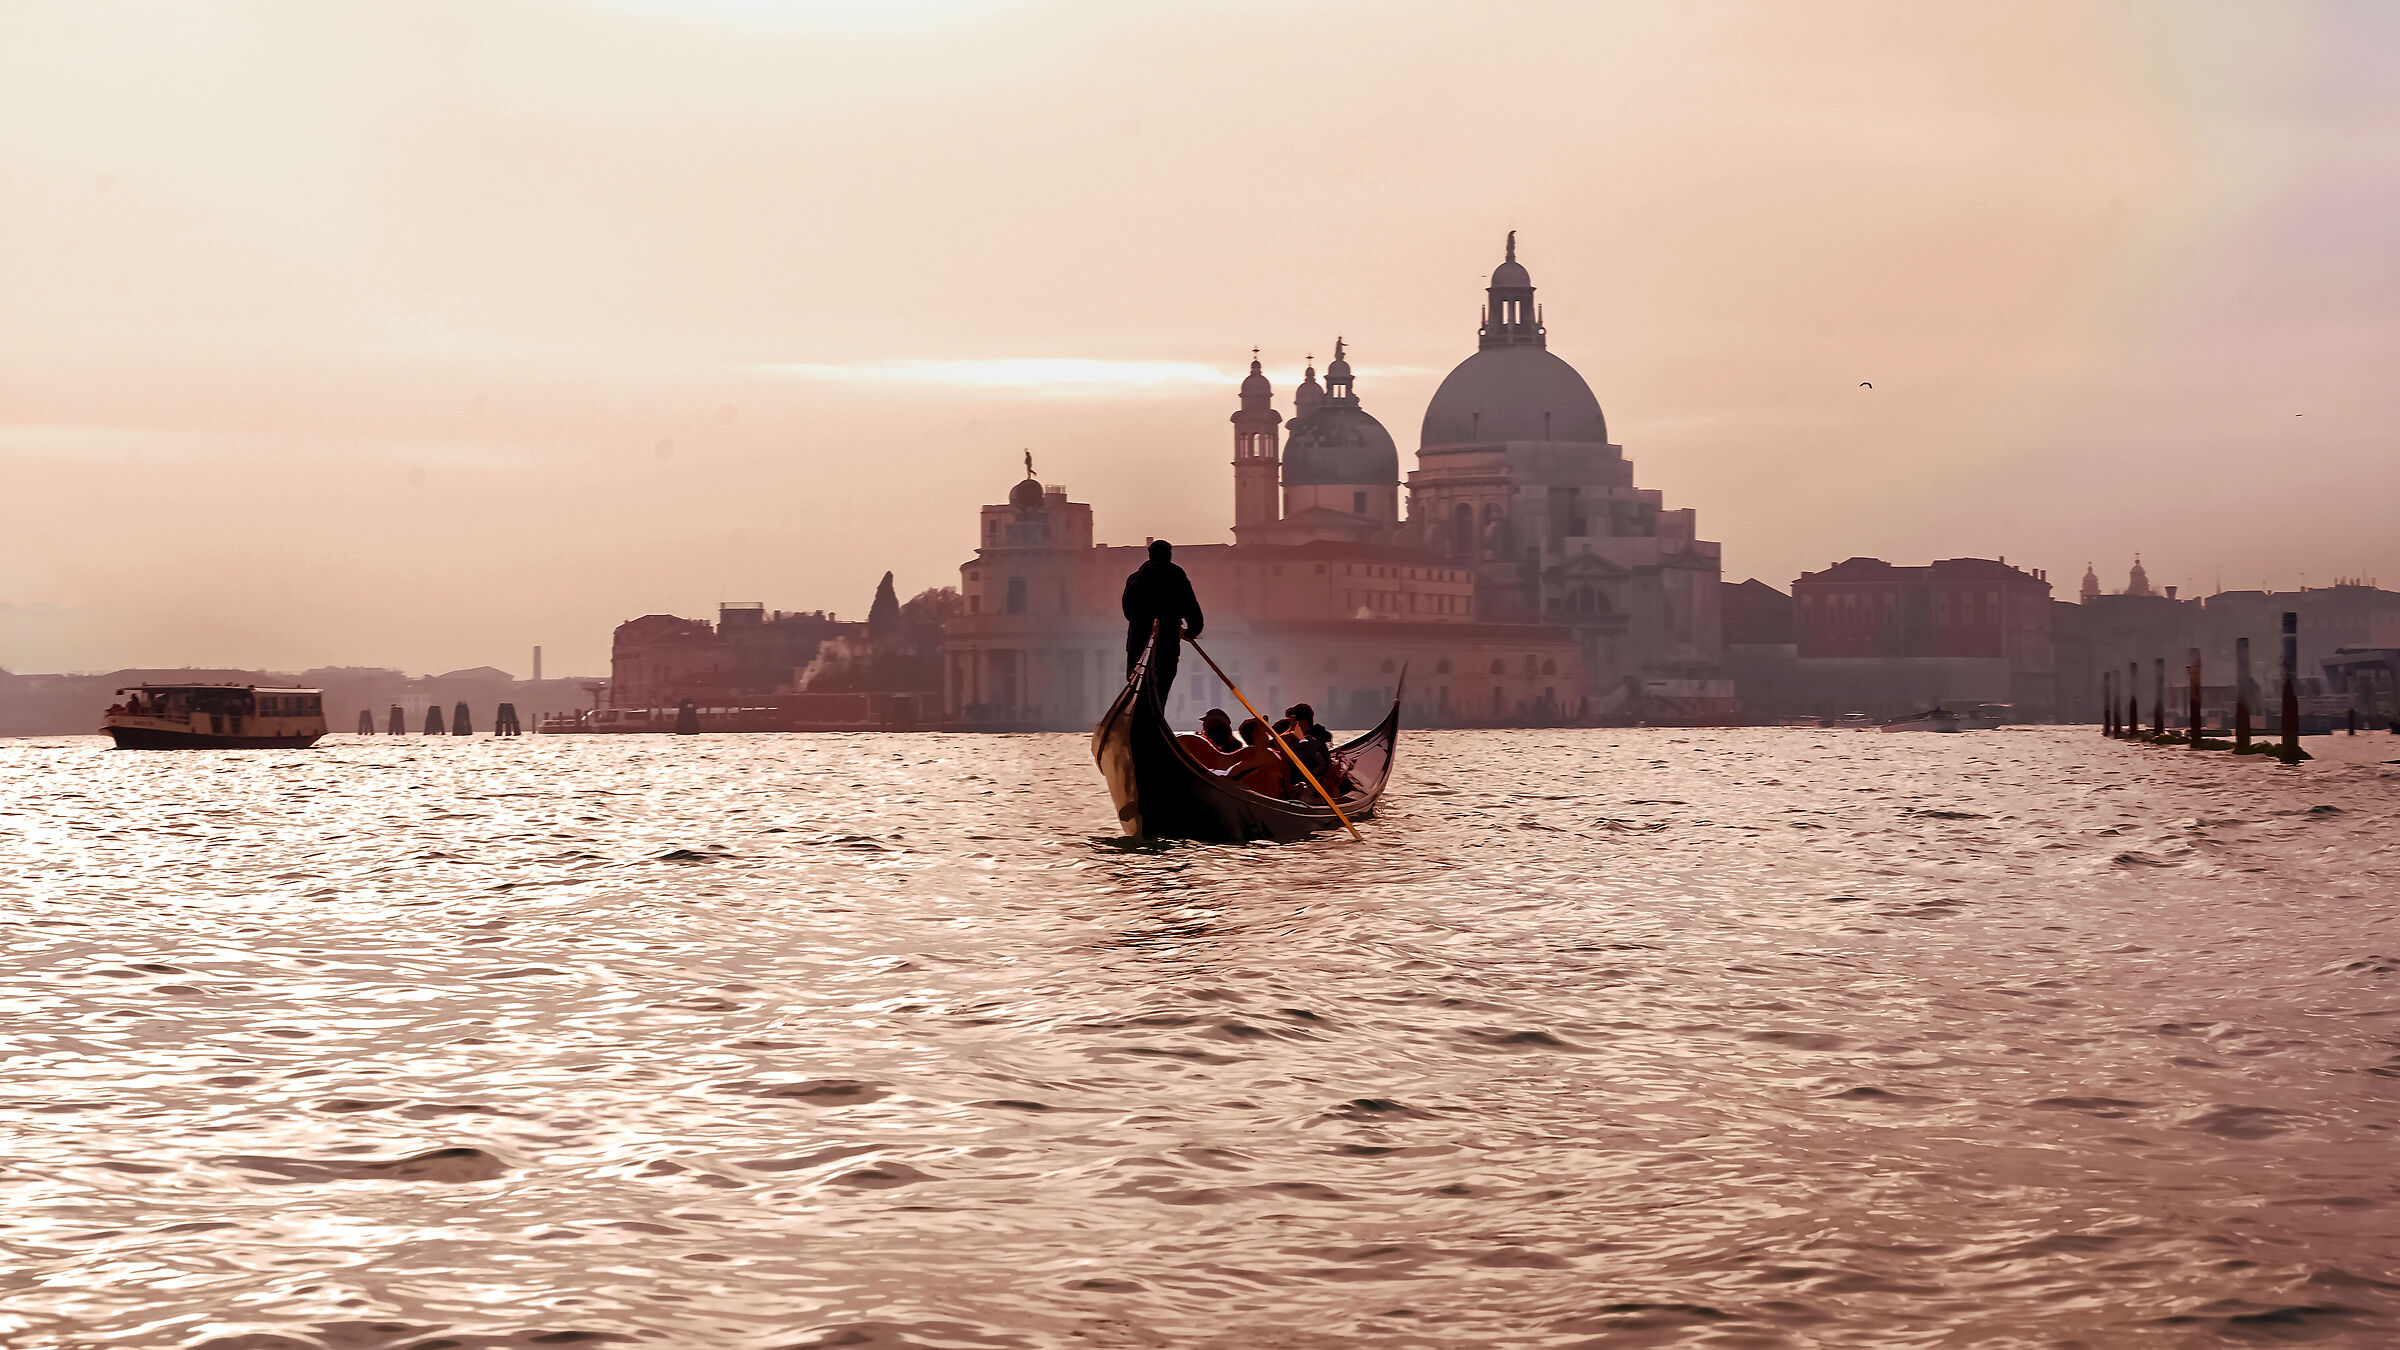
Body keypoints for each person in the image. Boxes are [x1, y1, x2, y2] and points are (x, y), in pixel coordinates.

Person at [1122, 539, 1203, 704]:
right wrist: (1192, 630)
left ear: (1150, 555)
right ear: (1169, 555)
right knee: (1163, 678)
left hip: (1138, 635)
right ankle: (1155, 708)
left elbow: (1127, 611)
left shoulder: (1135, 578)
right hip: (1168, 634)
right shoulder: (1177, 577)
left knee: (1135, 676)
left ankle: (1140, 707)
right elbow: (1191, 607)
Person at [1216, 718, 1289, 797]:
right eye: (1264, 732)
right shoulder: (1265, 757)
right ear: (1256, 736)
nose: (1267, 736)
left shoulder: (1270, 756)